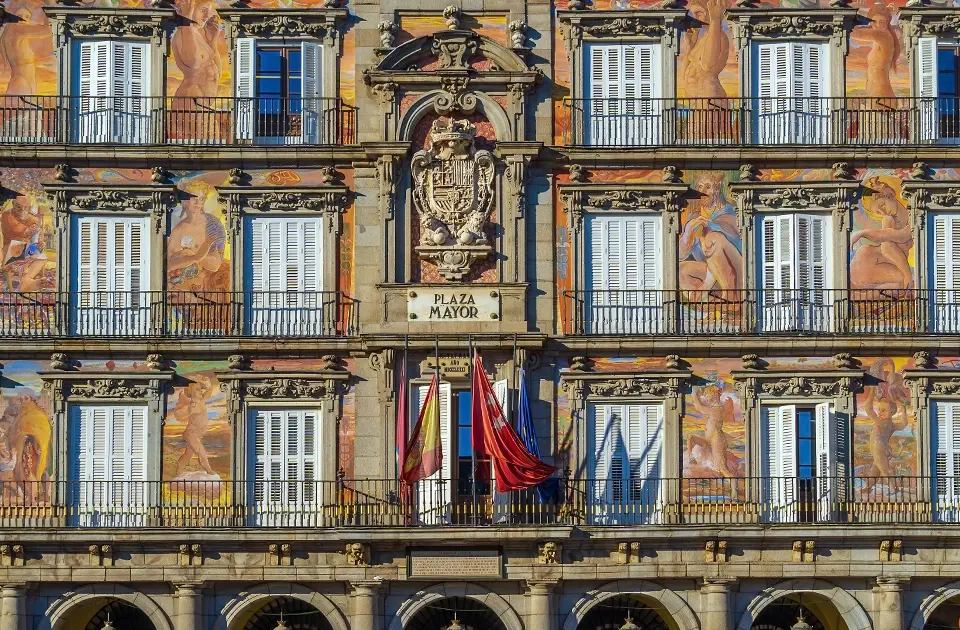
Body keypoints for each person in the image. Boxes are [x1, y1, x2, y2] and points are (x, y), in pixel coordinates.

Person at [679, 174, 743, 302]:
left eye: (708, 187)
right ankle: (711, 304)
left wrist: (704, 237)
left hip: (737, 273)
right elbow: (680, 254)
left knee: (713, 238)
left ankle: (730, 298)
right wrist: (689, 230)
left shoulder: (731, 211)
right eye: (700, 187)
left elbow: (735, 239)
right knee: (680, 269)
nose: (703, 192)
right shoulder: (694, 217)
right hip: (712, 274)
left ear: (718, 189)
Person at [850, 177, 913, 291]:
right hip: (867, 261)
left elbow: (901, 236)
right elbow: (887, 247)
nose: (883, 213)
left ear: (890, 194)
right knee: (901, 280)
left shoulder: (913, 217)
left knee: (901, 283)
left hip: (878, 264)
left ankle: (864, 295)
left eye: (882, 206)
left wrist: (862, 233)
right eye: (878, 212)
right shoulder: (888, 219)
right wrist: (907, 274)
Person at [168, 187, 228, 293]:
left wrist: (190, 254)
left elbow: (215, 265)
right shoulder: (178, 230)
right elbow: (169, 266)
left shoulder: (212, 225)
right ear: (185, 201)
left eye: (201, 199)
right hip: (181, 291)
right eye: (194, 198)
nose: (197, 202)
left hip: (207, 290)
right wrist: (197, 256)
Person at [685, 383, 741, 480]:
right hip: (708, 440)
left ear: (713, 395)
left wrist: (694, 393)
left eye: (707, 394)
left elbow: (699, 407)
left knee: (722, 468)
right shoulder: (715, 408)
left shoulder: (718, 408)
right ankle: (692, 458)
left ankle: (733, 488)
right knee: (690, 437)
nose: (705, 396)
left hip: (716, 440)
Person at [0, 198, 47, 293]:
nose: (22, 210)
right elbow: (17, 232)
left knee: (41, 257)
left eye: (25, 207)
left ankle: (26, 281)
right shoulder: (6, 215)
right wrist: (31, 229)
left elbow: (38, 234)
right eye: (19, 207)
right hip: (10, 248)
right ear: (13, 204)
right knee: (20, 243)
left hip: (28, 248)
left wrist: (41, 241)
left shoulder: (34, 218)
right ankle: (13, 287)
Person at [173, 376, 216, 477]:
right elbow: (177, 414)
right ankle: (209, 470)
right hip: (191, 434)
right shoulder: (192, 405)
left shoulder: (201, 401)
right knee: (201, 452)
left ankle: (178, 471)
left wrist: (206, 383)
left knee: (187, 455)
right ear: (191, 392)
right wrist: (188, 411)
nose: (201, 391)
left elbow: (209, 391)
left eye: (201, 390)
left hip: (197, 435)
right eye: (197, 390)